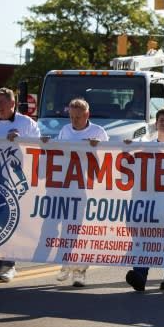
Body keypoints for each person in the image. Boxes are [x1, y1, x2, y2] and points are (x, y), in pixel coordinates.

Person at [125, 107, 164, 291]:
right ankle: (140, 276)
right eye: (162, 120)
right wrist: (126, 146)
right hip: (147, 201)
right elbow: (123, 156)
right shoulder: (144, 144)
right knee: (143, 237)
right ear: (156, 123)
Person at [52, 98, 109, 287]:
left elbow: (110, 159)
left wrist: (97, 147)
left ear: (87, 115)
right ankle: (66, 264)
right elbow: (57, 153)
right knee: (66, 228)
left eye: (78, 117)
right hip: (67, 187)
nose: (74, 120)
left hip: (88, 189)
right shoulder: (65, 131)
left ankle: (80, 272)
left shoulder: (98, 132)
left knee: (82, 231)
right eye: (71, 116)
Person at [0, 88, 40, 283]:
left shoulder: (26, 123)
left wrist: (22, 140)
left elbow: (40, 147)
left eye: (2, 103)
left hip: (13, 183)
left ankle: (8, 265)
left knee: (8, 222)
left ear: (12, 104)